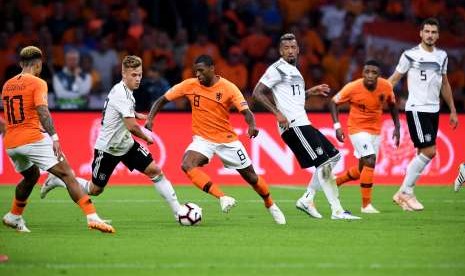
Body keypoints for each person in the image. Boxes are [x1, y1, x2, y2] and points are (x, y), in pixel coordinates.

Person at [145, 54, 286, 224]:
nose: (198, 74)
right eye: (196, 71)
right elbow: (162, 99)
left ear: (212, 69)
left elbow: (246, 112)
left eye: (201, 71)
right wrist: (150, 118)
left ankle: (270, 204)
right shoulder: (189, 85)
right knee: (187, 164)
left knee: (252, 178)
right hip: (203, 139)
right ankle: (222, 197)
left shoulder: (229, 88)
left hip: (227, 141)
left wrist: (252, 125)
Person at [40, 55, 182, 220]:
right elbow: (131, 127)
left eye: (140, 74)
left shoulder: (126, 91)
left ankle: (178, 211)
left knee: (155, 171)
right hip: (108, 148)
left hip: (126, 145)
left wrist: (136, 114)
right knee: (95, 190)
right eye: (133, 75)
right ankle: (58, 180)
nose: (138, 79)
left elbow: (122, 112)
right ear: (123, 74)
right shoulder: (121, 93)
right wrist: (147, 138)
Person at [1, 46, 113, 233]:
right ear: (38, 65)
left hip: (11, 142)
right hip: (32, 138)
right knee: (67, 174)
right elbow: (43, 111)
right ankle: (92, 216)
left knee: (31, 176)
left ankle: (14, 215)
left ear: (21, 64)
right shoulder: (38, 83)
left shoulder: (7, 85)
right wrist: (54, 137)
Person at [253, 33, 360, 220]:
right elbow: (257, 92)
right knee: (324, 163)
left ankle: (307, 199)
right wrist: (277, 113)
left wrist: (310, 92)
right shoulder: (277, 68)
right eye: (286, 48)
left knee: (334, 156)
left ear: (298, 49)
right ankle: (337, 210)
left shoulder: (294, 70)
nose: (290, 51)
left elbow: (294, 98)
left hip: (302, 122)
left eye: (293, 47)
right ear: (280, 51)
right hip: (293, 125)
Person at [388, 18, 459, 211]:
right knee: (430, 151)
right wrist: (377, 94)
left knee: (422, 153)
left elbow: (444, 83)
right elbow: (395, 78)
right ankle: (406, 192)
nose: (430, 35)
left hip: (434, 110)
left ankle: (401, 193)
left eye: (433, 32)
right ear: (420, 33)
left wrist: (452, 109)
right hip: (417, 108)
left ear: (438, 35)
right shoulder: (410, 55)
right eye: (427, 31)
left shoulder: (442, 56)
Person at [329, 60, 400, 214]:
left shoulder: (386, 86)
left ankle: (335, 182)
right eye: (367, 72)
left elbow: (392, 105)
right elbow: (333, 102)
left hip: (375, 131)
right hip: (357, 129)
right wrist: (337, 126)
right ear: (362, 73)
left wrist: (398, 127)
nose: (369, 75)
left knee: (363, 168)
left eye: (374, 73)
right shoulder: (352, 87)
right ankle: (366, 205)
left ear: (379, 75)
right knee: (370, 159)